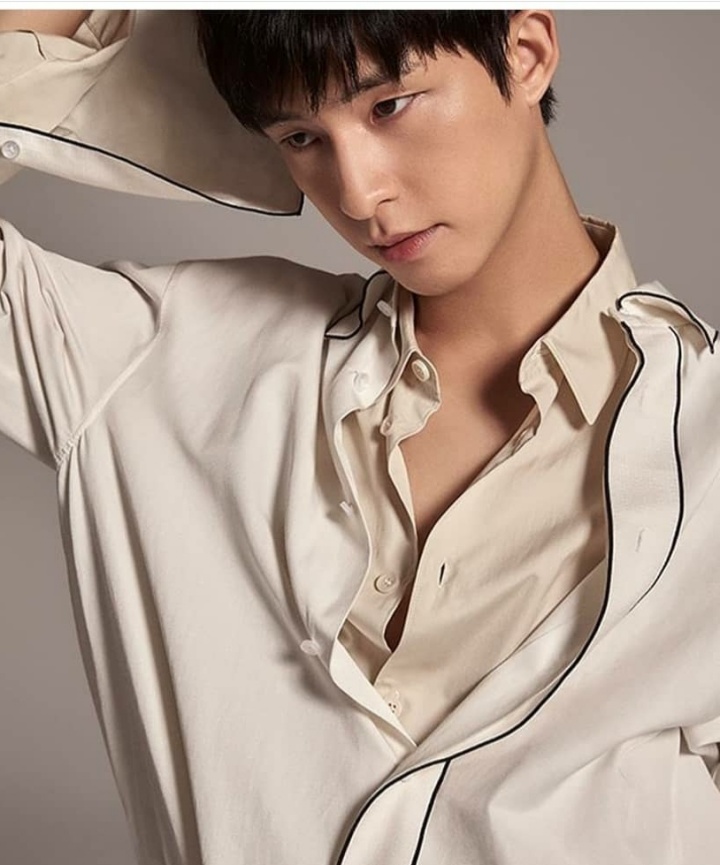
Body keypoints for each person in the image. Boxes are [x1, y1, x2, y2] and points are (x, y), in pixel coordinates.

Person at [1, 9, 719, 865]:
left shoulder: (705, 436)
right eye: (302, 137)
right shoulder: (170, 354)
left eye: (390, 106)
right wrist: (175, 25)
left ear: (526, 56)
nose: (356, 194)